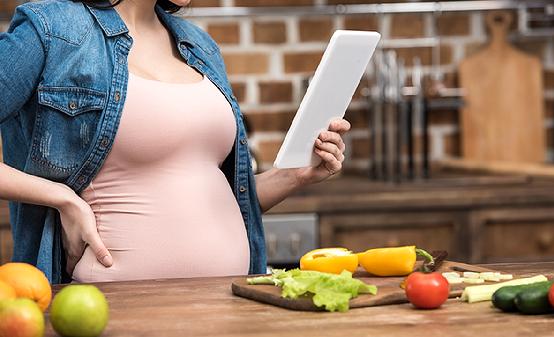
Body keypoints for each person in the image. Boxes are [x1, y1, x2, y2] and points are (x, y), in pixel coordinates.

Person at [0, 0, 350, 284]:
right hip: (116, 306)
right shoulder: (53, 31)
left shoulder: (198, 45)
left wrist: (296, 175)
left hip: (230, 300)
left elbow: (223, 198)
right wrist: (63, 199)